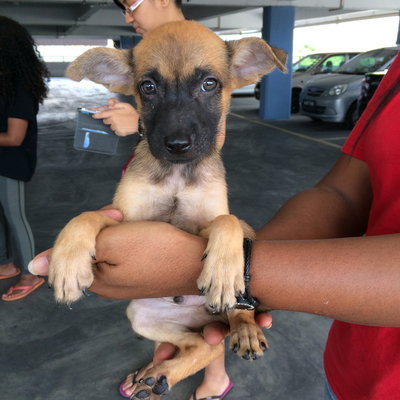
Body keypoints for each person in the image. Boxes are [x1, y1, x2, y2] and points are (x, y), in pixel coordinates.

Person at [30, 49, 400, 399]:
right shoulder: (393, 77)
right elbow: (341, 195)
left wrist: (243, 279)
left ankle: (191, 365)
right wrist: (83, 228)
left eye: (207, 84)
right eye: (149, 86)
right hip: (350, 367)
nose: (178, 130)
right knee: (142, 315)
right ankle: (194, 354)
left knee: (226, 230)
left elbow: (222, 239)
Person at [0, 16, 48, 301]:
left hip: (11, 162)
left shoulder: (20, 87)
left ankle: (31, 274)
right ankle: (5, 264)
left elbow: (14, 138)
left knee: (14, 216)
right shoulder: (4, 82)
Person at [91, 0, 187, 137]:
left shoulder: (197, 51)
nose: (128, 19)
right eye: (125, 10)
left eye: (131, 7)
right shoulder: (161, 50)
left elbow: (214, 139)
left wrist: (140, 123)